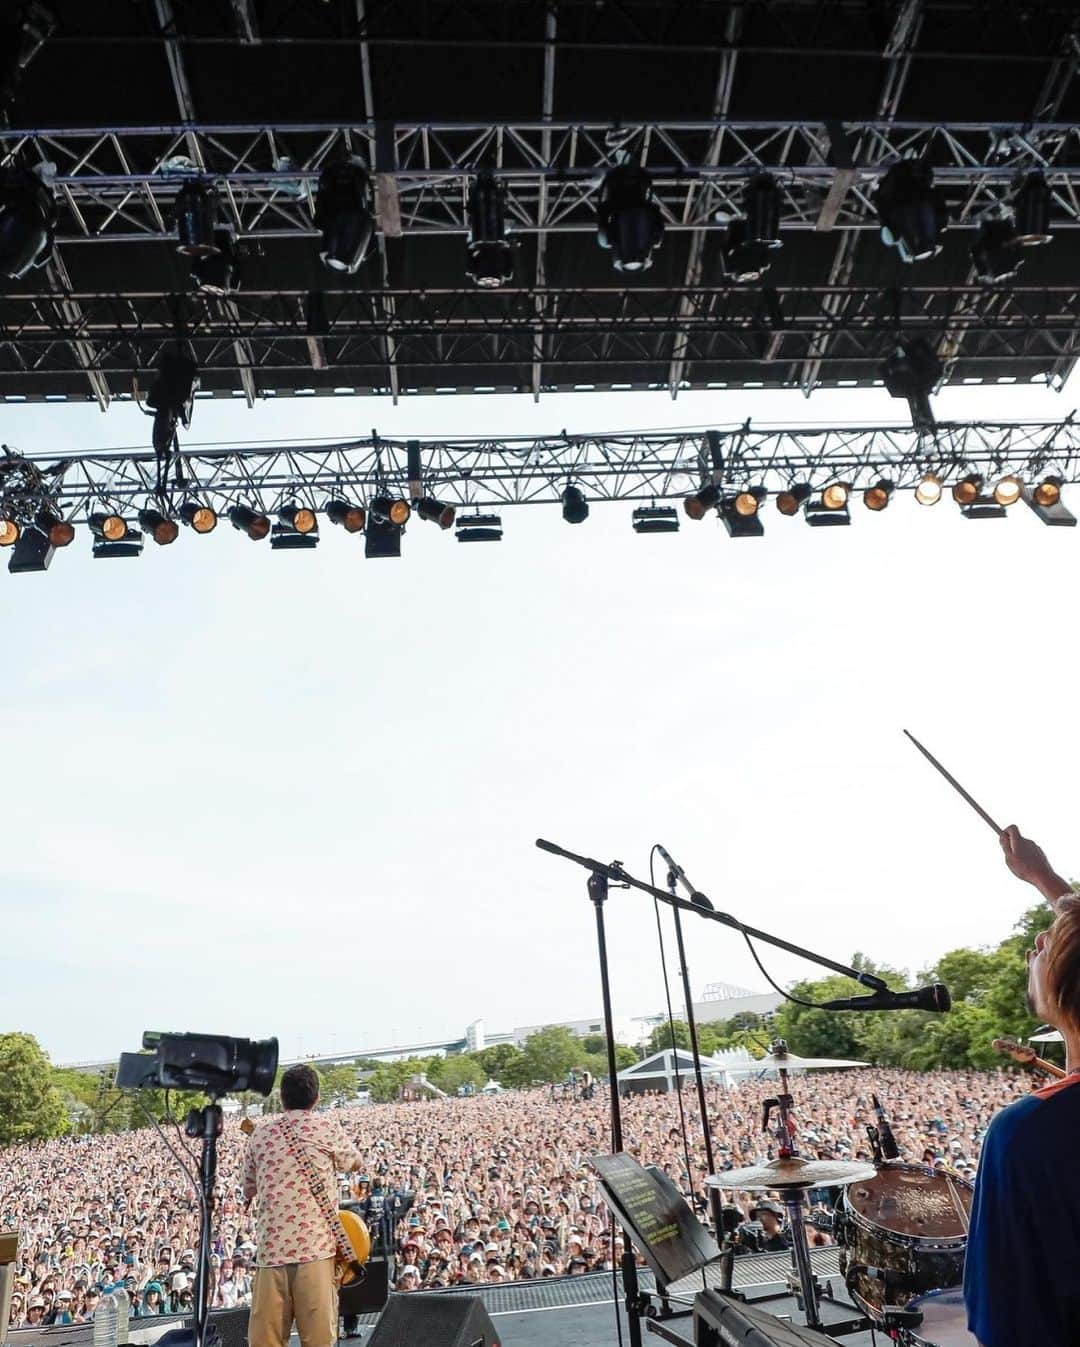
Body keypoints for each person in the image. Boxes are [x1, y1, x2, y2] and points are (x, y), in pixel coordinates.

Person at [963, 825, 1080, 1347]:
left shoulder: (1027, 1131)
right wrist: (1045, 880)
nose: (1038, 941)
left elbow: (1003, 1320)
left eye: (1049, 943)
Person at [244, 1065, 362, 1347]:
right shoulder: (327, 1129)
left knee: (265, 1342)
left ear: (282, 1098)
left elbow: (248, 1187)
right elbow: (355, 1162)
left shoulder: (259, 1135)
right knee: (319, 1341)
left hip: (271, 1254)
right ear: (317, 1098)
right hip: (316, 1253)